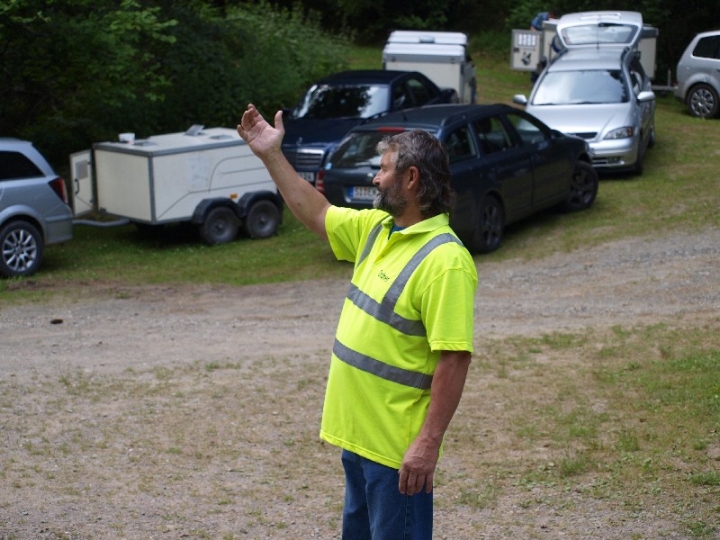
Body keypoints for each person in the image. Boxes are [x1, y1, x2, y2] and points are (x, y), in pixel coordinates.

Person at [237, 104, 477, 540]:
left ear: (411, 179)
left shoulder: (446, 261)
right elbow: (315, 211)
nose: (375, 178)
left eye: (384, 169)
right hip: (359, 439)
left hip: (396, 451)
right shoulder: (377, 230)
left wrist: (427, 444)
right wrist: (271, 154)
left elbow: (454, 360)